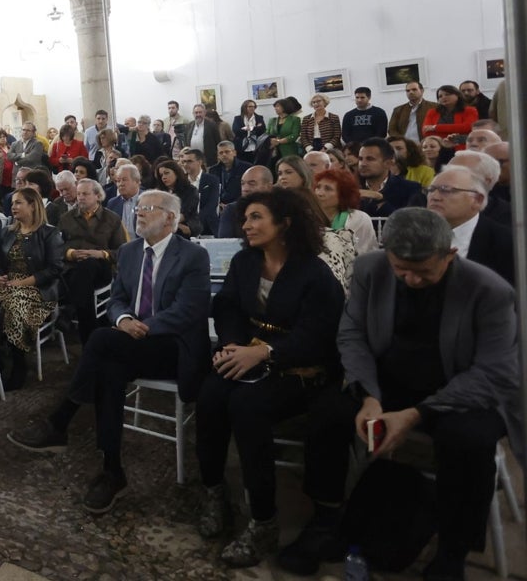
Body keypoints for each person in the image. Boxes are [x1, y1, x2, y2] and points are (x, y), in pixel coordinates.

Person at [283, 209, 520, 579]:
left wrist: (416, 414)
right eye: (401, 269)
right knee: (328, 412)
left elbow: (495, 372)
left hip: (458, 392)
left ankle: (452, 551)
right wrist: (369, 396)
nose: (410, 279)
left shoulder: (489, 290)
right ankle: (326, 519)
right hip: (386, 382)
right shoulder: (371, 269)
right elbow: (353, 334)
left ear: (449, 255)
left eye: (423, 272)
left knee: (469, 441)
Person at [7, 190, 211, 514]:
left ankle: (60, 422)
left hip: (170, 346)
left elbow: (189, 310)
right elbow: (116, 299)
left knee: (101, 341)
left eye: (148, 208)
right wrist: (125, 318)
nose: (139, 213)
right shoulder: (130, 252)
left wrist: (141, 327)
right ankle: (112, 470)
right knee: (107, 372)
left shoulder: (192, 256)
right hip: (129, 341)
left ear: (171, 218)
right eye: (139, 208)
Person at [195, 188, 344, 568]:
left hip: (301, 367)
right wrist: (230, 344)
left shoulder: (314, 270)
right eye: (245, 219)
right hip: (248, 353)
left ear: (285, 224)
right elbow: (227, 306)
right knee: (210, 395)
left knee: (247, 406)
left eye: (257, 217)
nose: (246, 225)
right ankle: (215, 492)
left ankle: (263, 520)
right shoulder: (246, 262)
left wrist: (263, 352)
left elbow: (318, 334)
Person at [0, 188, 64, 390]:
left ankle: (18, 365)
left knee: (16, 304)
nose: (13, 207)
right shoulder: (7, 232)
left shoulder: (50, 233)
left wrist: (22, 283)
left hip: (38, 289)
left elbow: (54, 269)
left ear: (32, 205)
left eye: (18, 203)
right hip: (9, 285)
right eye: (13, 203)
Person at [57, 178, 129, 343]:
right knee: (82, 276)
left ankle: (69, 308)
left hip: (101, 269)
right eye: (79, 193)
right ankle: (89, 341)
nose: (80, 197)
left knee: (88, 265)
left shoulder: (112, 219)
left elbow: (123, 252)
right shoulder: (66, 219)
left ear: (98, 196)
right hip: (72, 268)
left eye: (85, 194)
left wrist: (101, 254)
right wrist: (71, 253)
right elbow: (56, 249)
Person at [427, 165, 514, 285]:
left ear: (477, 199)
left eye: (445, 190)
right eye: (431, 190)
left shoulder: (506, 242)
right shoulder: (414, 233)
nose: (434, 197)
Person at [312, 168, 378, 255]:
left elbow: (364, 254)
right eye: (318, 187)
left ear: (343, 195)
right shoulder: (307, 216)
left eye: (328, 189)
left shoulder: (359, 219)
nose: (319, 193)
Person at [356, 138, 425, 217]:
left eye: (370, 159)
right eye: (360, 159)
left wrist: (380, 201)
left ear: (388, 163)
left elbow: (410, 223)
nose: (363, 164)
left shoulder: (410, 189)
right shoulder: (348, 187)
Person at [216, 166, 273, 238]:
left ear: (268, 187)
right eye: (242, 184)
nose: (245, 189)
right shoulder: (231, 210)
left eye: (252, 184)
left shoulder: (279, 208)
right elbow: (224, 244)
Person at [153, 159, 201, 238]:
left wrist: (168, 223)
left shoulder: (190, 190)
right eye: (161, 175)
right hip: (164, 225)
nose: (164, 177)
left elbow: (185, 214)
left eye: (167, 173)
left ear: (176, 173)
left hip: (186, 222)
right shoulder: (159, 192)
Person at [179, 149, 221, 235]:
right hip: (185, 225)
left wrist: (194, 221)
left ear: (199, 162)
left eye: (189, 161)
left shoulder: (212, 180)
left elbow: (212, 205)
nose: (186, 164)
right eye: (184, 162)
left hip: (207, 225)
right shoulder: (180, 181)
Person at [423, 84, 477, 149]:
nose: (443, 97)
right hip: (438, 148)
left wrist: (435, 128)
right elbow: (426, 132)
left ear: (457, 95)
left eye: (447, 94)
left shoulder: (470, 110)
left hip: (461, 148)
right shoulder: (432, 112)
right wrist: (453, 137)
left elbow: (467, 127)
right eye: (440, 96)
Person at [105, 163, 141, 237]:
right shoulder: (112, 203)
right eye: (118, 181)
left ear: (137, 181)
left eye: (124, 180)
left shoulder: (147, 200)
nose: (120, 184)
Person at [210, 141, 249, 206]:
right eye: (221, 153)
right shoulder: (213, 170)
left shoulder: (246, 168)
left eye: (227, 152)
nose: (224, 155)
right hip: (219, 207)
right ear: (218, 155)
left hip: (240, 205)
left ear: (234, 153)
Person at [266, 98, 301, 166]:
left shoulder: (295, 119)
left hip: (289, 150)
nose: (276, 108)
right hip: (273, 150)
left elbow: (295, 134)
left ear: (285, 106)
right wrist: (271, 140)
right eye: (275, 107)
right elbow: (267, 133)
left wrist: (279, 141)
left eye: (278, 106)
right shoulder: (272, 120)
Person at [232, 99, 266, 163]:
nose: (252, 108)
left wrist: (249, 128)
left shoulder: (259, 118)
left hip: (256, 146)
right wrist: (255, 128)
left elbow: (262, 130)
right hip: (242, 147)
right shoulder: (238, 118)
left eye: (254, 106)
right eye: (250, 106)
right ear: (244, 107)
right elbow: (236, 130)